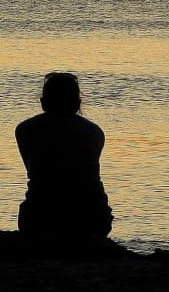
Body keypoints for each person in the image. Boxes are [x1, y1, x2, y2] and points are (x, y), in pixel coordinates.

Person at [15, 72, 113, 243]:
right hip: (93, 218)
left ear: (43, 103)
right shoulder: (94, 132)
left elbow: (35, 171)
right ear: (78, 104)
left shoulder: (25, 130)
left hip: (39, 218)